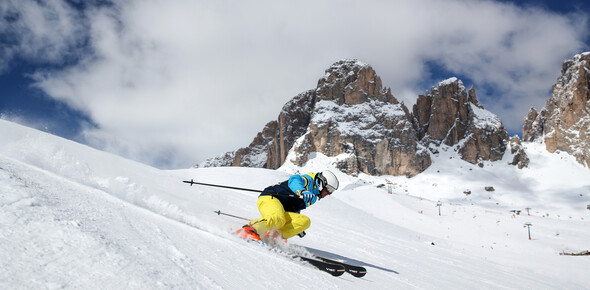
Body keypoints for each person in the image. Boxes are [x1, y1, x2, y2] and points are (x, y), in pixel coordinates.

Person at [236, 170, 339, 243]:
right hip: (270, 198)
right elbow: (294, 181)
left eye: (332, 191)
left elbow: (295, 208)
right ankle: (250, 230)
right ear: (322, 183)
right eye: (329, 189)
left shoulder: (313, 197)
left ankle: (272, 238)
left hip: (281, 208)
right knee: (278, 218)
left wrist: (296, 228)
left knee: (304, 221)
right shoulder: (308, 180)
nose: (329, 193)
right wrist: (302, 191)